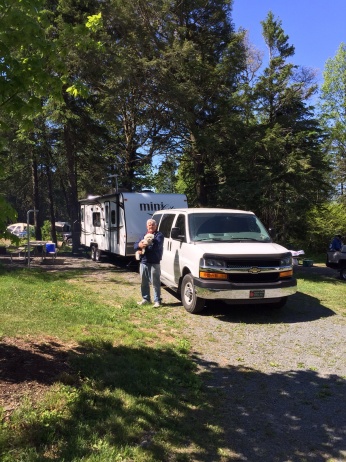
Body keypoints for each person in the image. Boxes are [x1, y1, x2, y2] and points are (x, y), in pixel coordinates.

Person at [134, 218, 164, 307]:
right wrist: (139, 245)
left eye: (153, 225)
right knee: (144, 282)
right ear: (147, 226)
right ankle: (146, 299)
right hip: (144, 262)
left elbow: (156, 247)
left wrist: (145, 247)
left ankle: (157, 300)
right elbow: (135, 245)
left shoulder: (159, 235)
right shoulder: (143, 235)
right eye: (149, 225)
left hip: (154, 262)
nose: (151, 226)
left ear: (156, 226)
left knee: (155, 282)